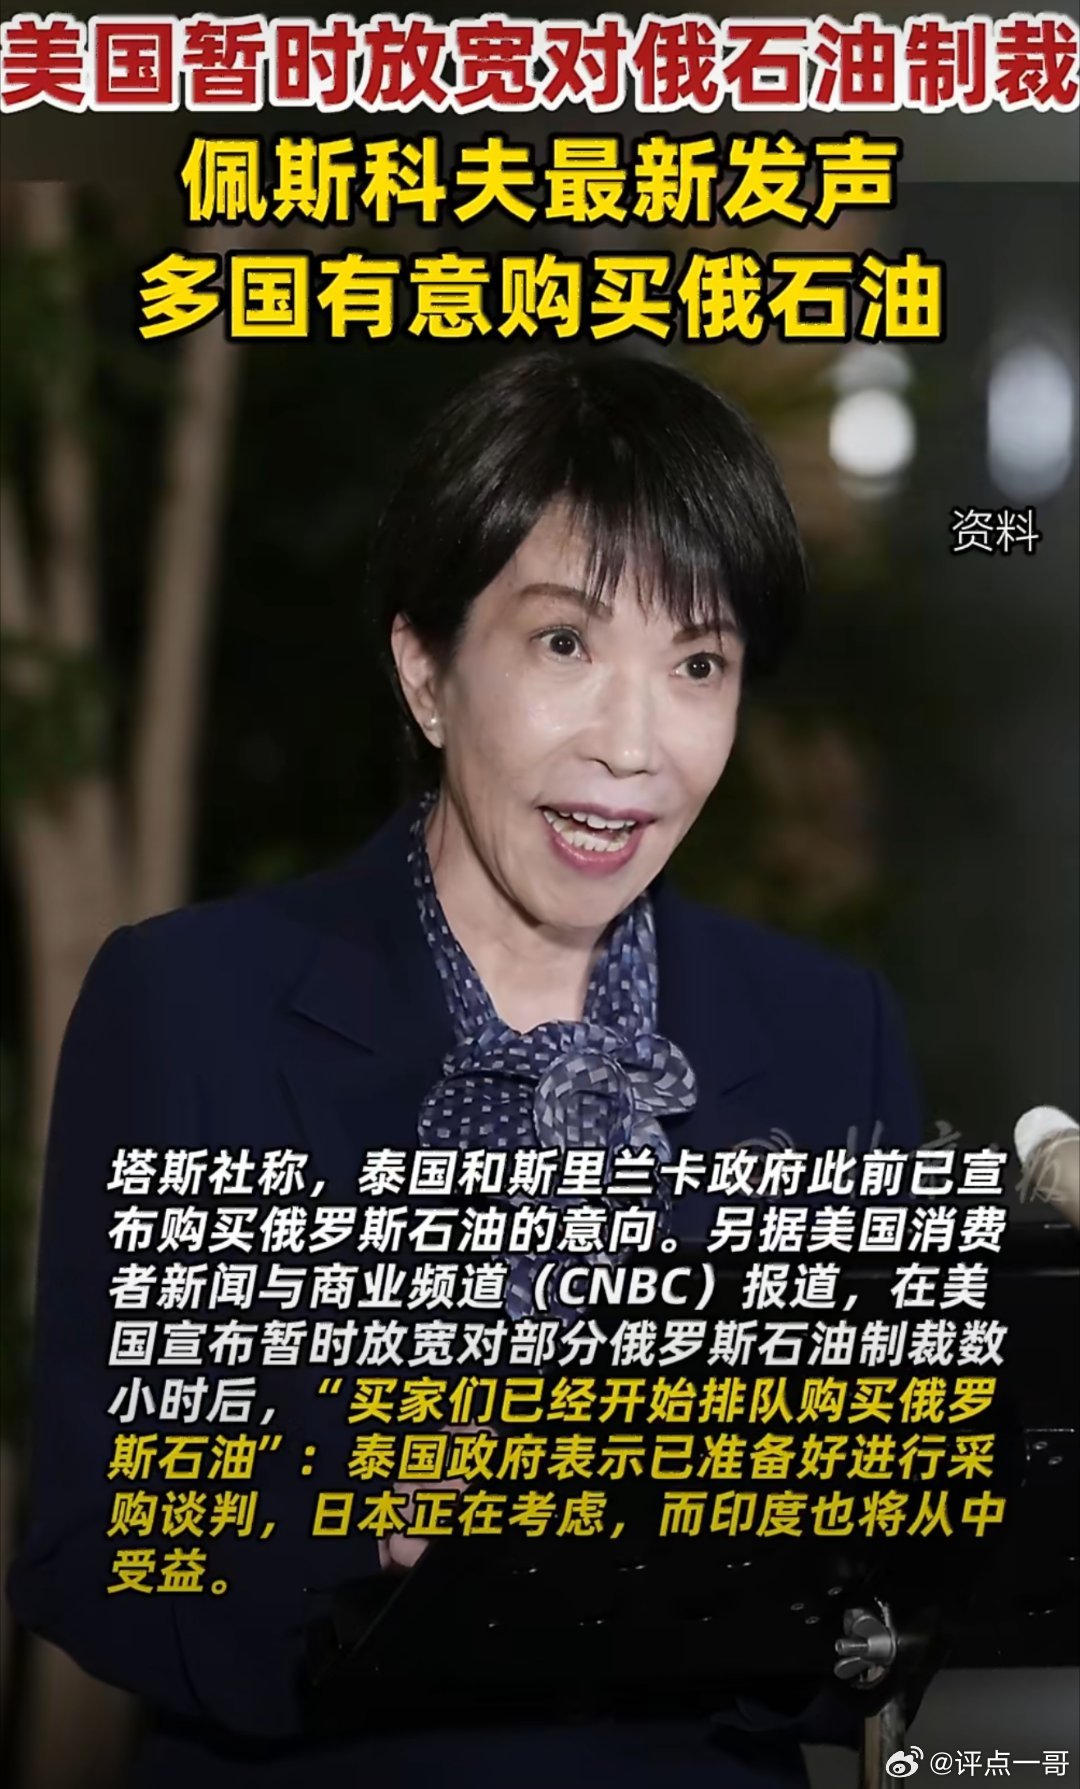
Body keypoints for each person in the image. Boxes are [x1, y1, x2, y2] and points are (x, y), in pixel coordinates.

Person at [8, 351, 922, 1788]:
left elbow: (887, 1600)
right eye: (564, 644)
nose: (633, 745)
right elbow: (95, 1550)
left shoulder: (825, 1032)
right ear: (426, 671)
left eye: (698, 663)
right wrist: (380, 1524)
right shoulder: (191, 1006)